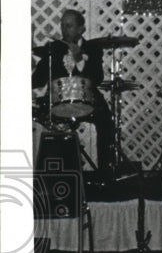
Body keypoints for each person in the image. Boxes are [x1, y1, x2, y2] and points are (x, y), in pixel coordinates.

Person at [30, 9, 114, 170]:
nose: (63, 30)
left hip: (87, 98)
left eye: (68, 26)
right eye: (62, 25)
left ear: (81, 29)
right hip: (57, 99)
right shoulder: (54, 49)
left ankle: (105, 172)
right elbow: (38, 80)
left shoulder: (93, 49)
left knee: (106, 121)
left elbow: (97, 78)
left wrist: (79, 59)